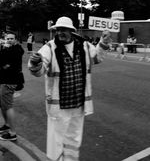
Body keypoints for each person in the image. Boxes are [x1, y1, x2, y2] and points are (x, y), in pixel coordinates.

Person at [28, 16, 111, 161]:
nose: (60, 32)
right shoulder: (49, 47)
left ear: (71, 31)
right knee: (56, 141)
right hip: (59, 104)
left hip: (78, 102)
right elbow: (39, 69)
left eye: (64, 30)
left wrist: (103, 42)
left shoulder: (84, 45)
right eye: (58, 30)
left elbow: (97, 58)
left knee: (74, 138)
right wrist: (35, 63)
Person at [0, 31, 24, 141]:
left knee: (7, 106)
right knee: (3, 105)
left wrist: (5, 65)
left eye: (11, 38)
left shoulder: (16, 49)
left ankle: (13, 133)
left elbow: (6, 63)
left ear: (15, 39)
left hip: (10, 81)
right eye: (7, 38)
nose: (9, 40)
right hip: (4, 80)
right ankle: (7, 125)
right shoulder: (8, 49)